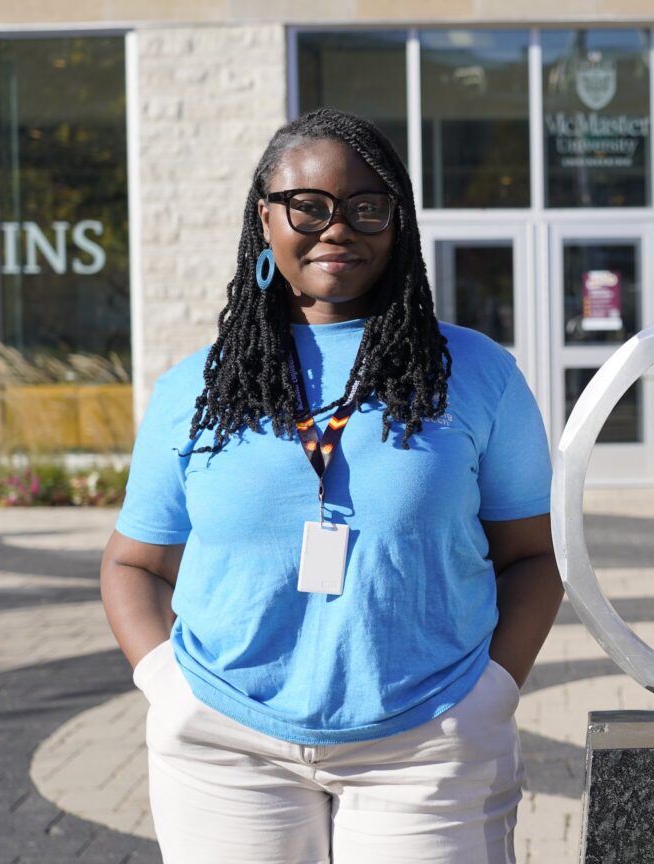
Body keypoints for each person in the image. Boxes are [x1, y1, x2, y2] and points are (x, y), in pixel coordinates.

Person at [98, 108, 563, 864]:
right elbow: (133, 564)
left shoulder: (477, 373)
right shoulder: (198, 386)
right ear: (265, 218)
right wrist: (167, 688)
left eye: (366, 207)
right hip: (224, 747)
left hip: (427, 744)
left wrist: (493, 693)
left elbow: (534, 556)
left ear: (398, 224)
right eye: (307, 206)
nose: (336, 227)